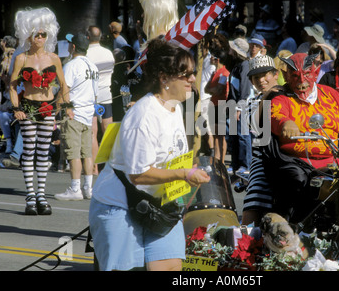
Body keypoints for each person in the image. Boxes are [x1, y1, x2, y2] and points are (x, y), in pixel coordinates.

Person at [89, 37, 210, 271]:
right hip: (119, 207)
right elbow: (138, 174)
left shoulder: (174, 107)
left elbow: (173, 159)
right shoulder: (144, 116)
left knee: (172, 267)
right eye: (185, 75)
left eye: (192, 73)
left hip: (158, 205)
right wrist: (184, 174)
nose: (192, 79)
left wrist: (186, 185)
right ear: (164, 78)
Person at [244, 52, 339, 223]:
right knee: (275, 190)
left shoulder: (331, 95)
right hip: (289, 161)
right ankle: (283, 231)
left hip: (330, 161)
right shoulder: (280, 96)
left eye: (306, 74)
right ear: (286, 76)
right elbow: (275, 116)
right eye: (295, 75)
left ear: (315, 73)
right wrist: (286, 123)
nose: (301, 80)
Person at [9, 7, 73, 215]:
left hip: (47, 108)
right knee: (29, 150)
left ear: (48, 34)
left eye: (43, 34)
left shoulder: (54, 58)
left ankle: (42, 196)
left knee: (44, 151)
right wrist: (16, 109)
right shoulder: (21, 59)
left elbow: (64, 85)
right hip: (27, 107)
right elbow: (12, 86)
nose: (40, 37)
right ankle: (30, 196)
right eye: (36, 34)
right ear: (28, 34)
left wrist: (66, 107)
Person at [54, 33, 99, 201]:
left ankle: (75, 189)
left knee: (73, 153)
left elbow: (64, 91)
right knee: (86, 153)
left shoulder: (71, 65)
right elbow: (95, 95)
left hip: (73, 114)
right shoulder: (93, 67)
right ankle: (88, 188)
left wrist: (57, 113)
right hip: (87, 115)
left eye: (69, 43)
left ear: (73, 47)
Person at [241, 54, 280, 225]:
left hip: (291, 159)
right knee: (254, 198)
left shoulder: (288, 96)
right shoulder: (252, 101)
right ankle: (247, 241)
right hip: (262, 160)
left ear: (275, 74)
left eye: (265, 75)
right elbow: (254, 124)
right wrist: (267, 96)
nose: (261, 80)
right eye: (256, 77)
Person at [86, 26, 115, 175]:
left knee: (93, 133)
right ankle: (110, 167)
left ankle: (94, 169)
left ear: (87, 37)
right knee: (108, 131)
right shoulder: (108, 53)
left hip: (91, 97)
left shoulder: (85, 54)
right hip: (106, 96)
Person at [204, 34, 230, 164]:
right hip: (214, 105)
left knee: (220, 135)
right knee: (215, 135)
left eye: (213, 57)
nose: (210, 59)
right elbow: (206, 88)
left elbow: (218, 90)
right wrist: (211, 90)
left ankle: (222, 161)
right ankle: (217, 159)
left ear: (217, 59)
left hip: (220, 106)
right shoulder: (215, 73)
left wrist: (211, 90)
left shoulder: (224, 72)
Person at [227, 37, 251, 174]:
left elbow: (245, 90)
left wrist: (238, 109)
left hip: (241, 107)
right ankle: (236, 164)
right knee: (234, 136)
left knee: (243, 135)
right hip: (233, 105)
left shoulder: (245, 66)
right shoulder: (237, 65)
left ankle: (246, 165)